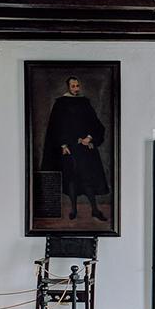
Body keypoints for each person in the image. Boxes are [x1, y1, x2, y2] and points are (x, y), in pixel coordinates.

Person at [40, 76, 109, 221]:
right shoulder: (60, 103)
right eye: (73, 86)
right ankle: (74, 210)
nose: (76, 88)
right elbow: (57, 126)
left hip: (85, 148)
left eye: (77, 85)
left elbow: (95, 123)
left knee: (87, 179)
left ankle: (95, 210)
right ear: (68, 87)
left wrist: (89, 138)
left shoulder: (85, 102)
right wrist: (63, 145)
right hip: (69, 148)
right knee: (71, 179)